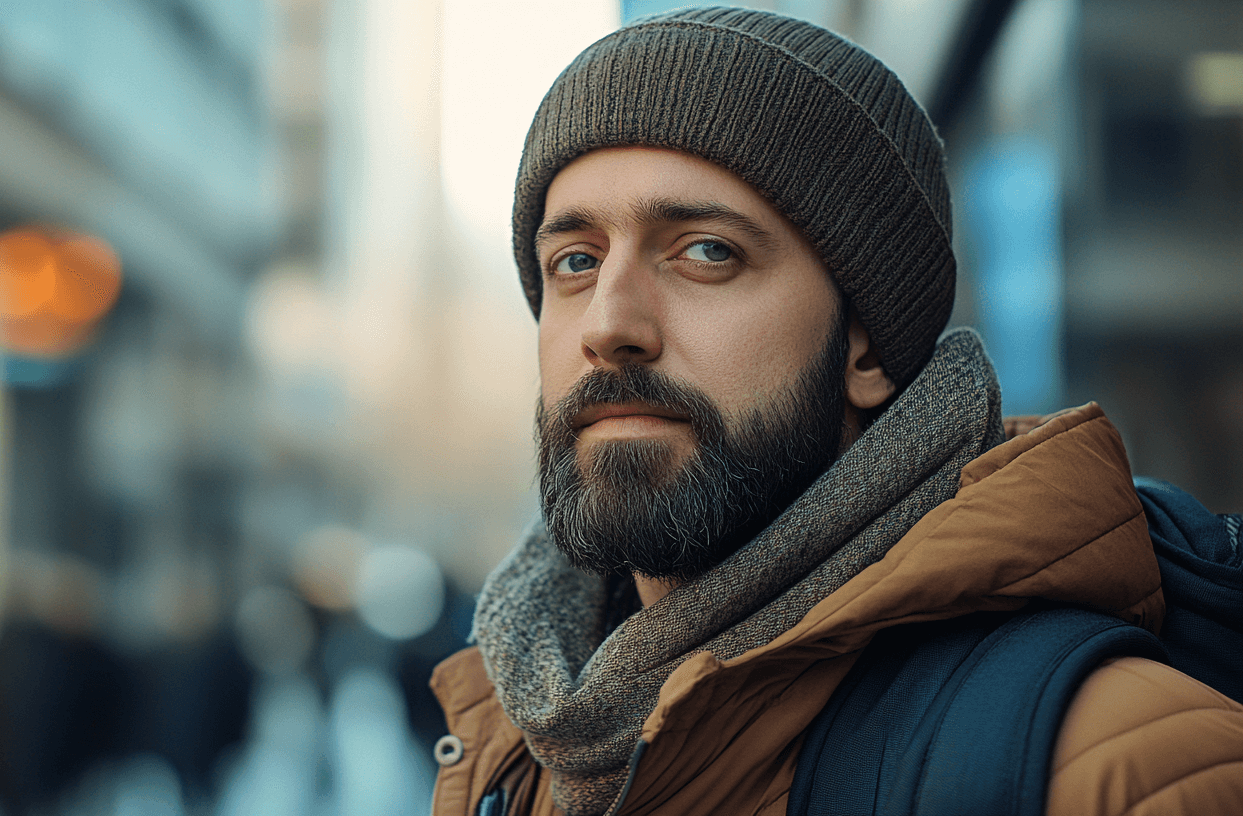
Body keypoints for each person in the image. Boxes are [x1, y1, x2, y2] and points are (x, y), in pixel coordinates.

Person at [427, 7, 1243, 816]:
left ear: (866, 348)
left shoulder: (1129, 769)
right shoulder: (511, 752)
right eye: (575, 262)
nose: (608, 326)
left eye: (707, 251)